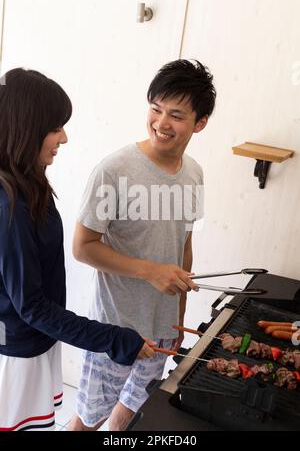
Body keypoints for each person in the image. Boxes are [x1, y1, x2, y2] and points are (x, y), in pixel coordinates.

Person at [0, 68, 155, 432]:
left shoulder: (29, 182)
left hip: (34, 341)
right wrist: (115, 339)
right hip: (16, 350)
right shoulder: (9, 207)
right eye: (55, 128)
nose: (64, 137)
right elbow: (31, 306)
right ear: (25, 128)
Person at [68, 59, 216, 431]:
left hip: (163, 325)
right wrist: (150, 272)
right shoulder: (114, 170)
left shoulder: (194, 173)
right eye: (155, 109)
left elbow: (184, 245)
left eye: (176, 115)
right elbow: (83, 247)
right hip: (116, 326)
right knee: (90, 417)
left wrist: (178, 318)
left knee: (130, 409)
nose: (161, 123)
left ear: (200, 123)